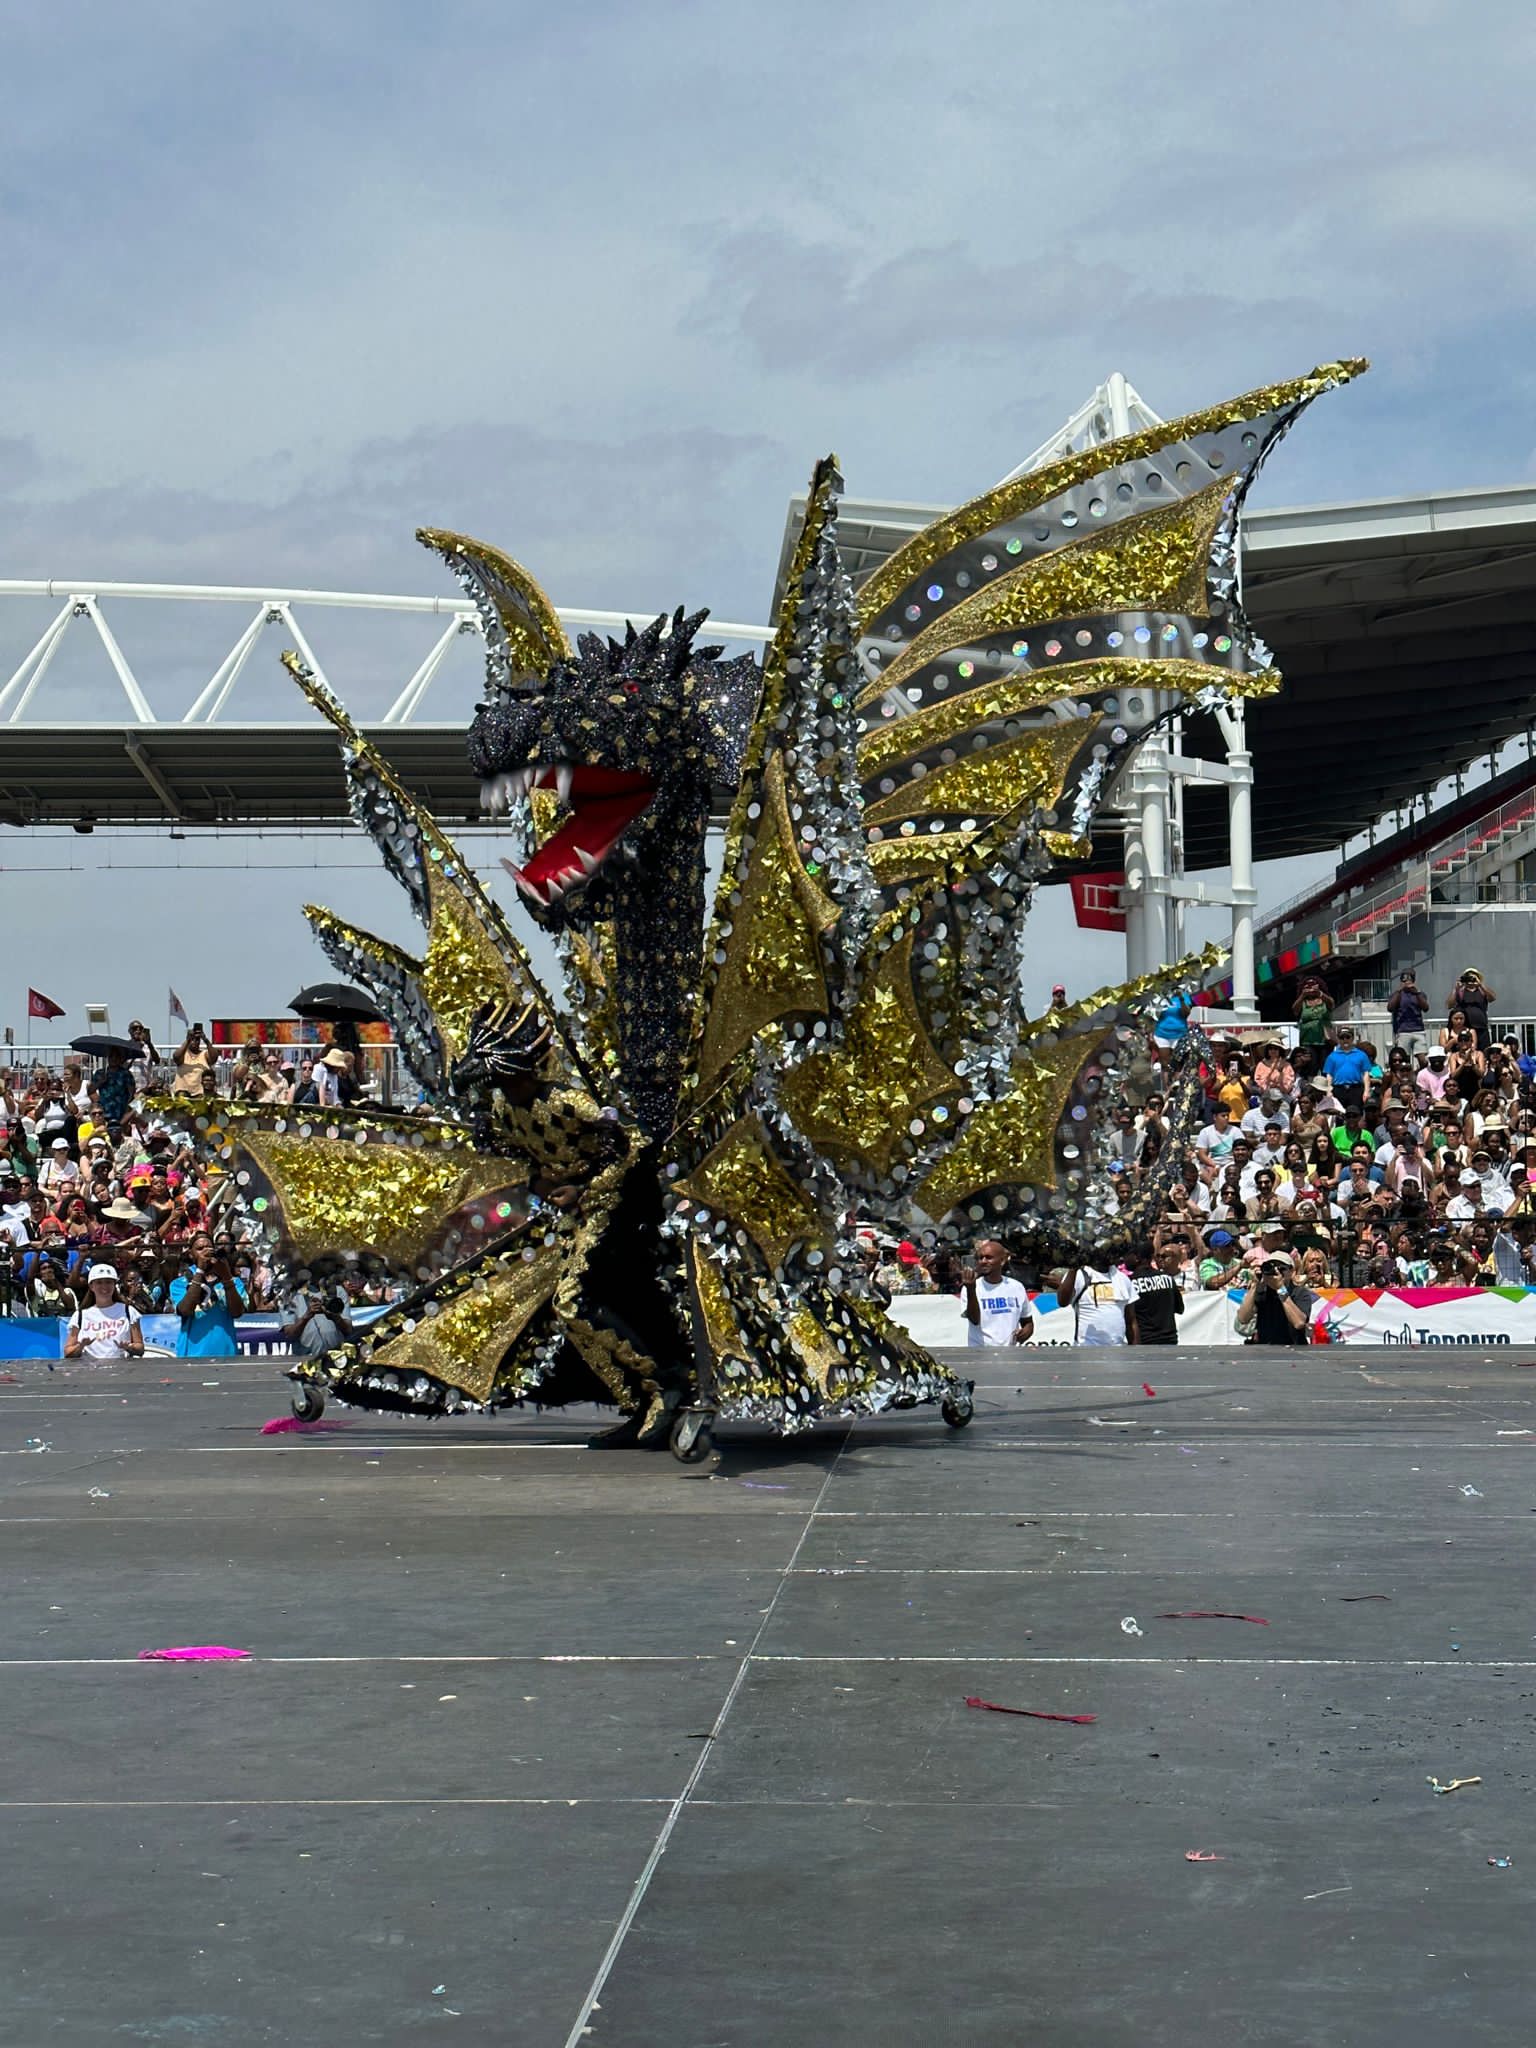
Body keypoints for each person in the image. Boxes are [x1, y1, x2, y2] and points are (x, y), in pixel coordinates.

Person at [168, 1233, 248, 1357]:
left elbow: (237, 1312)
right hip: (191, 1355)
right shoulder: (179, 1283)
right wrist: (200, 1270)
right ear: (191, 1254)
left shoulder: (234, 1281)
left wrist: (226, 1277)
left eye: (209, 1247)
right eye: (200, 1249)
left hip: (226, 1354)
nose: (206, 1252)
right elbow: (185, 1310)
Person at [63, 1263, 145, 1361]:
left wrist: (129, 1347)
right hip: (90, 1369)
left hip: (121, 1368)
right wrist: (81, 1346)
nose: (104, 1286)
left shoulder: (128, 1311)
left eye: (108, 1282)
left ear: (114, 1285)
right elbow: (68, 1352)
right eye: (99, 1282)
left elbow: (140, 1348)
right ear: (91, 1286)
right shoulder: (80, 1315)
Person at [1234, 1247, 1315, 1346]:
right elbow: (1243, 1319)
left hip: (1294, 1347)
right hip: (1266, 1348)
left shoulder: (1300, 1292)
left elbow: (1299, 1323)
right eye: (1273, 1268)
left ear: (1291, 1271)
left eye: (1282, 1269)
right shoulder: (1262, 1291)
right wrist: (1255, 1284)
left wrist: (1280, 1289)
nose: (1277, 1273)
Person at [960, 1239, 1033, 1346]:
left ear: (1002, 1261)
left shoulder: (1017, 1287)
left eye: (989, 1257)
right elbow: (974, 1320)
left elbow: (1028, 1322)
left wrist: (1026, 1332)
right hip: (980, 1352)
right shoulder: (970, 1287)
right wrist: (971, 1289)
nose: (983, 1261)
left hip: (1010, 1352)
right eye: (981, 1258)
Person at [1057, 1252, 1137, 1345]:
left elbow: (1131, 1320)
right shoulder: (1079, 1275)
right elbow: (1062, 1302)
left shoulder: (1122, 1278)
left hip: (1118, 1349)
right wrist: (1073, 1269)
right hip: (1086, 1349)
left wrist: (1136, 1350)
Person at [282, 1278, 355, 1358]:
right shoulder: (289, 1295)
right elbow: (289, 1334)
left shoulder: (338, 1291)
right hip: (307, 1357)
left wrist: (334, 1316)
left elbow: (348, 1330)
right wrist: (306, 1317)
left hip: (336, 1356)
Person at [1129, 1243, 1184, 1345]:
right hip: (1170, 1340)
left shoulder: (1129, 1283)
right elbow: (1179, 1308)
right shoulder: (1168, 1278)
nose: (1124, 1259)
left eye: (1128, 1255)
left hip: (1145, 1342)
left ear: (1137, 1258)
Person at [1322, 1026, 1371, 1110]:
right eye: (1342, 1037)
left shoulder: (1361, 1055)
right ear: (1338, 1039)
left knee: (1356, 1113)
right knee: (1339, 1114)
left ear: (1352, 1038)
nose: (1345, 1040)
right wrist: (1328, 1091)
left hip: (1356, 1089)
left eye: (1348, 1037)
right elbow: (1329, 1075)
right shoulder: (1332, 1056)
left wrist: (1366, 1091)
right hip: (1338, 1089)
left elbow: (1366, 1074)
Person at [1449, 969, 1495, 1049]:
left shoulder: (1482, 991)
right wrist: (1456, 989)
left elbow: (1492, 998)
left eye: (1472, 977)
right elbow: (1450, 1005)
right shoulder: (1461, 992)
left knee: (1484, 1050)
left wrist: (1480, 985)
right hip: (1467, 1029)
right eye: (1468, 977)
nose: (1470, 980)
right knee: (1468, 1050)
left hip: (1482, 1028)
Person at [1386, 969, 1429, 1055]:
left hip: (1418, 1030)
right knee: (1404, 1057)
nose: (1407, 982)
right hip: (1403, 1031)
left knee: (1422, 1058)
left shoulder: (1419, 994)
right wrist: (1399, 991)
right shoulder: (1397, 994)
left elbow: (1425, 1008)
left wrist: (1417, 993)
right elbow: (1390, 1008)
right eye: (1404, 980)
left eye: (1410, 980)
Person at [1292, 974, 1335, 1051]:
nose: (1310, 986)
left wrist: (1319, 993)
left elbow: (1331, 1004)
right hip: (1307, 1040)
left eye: (1313, 984)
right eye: (1308, 985)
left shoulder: (1325, 1000)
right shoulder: (1302, 1002)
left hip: (1325, 1039)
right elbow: (1295, 1010)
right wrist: (1302, 995)